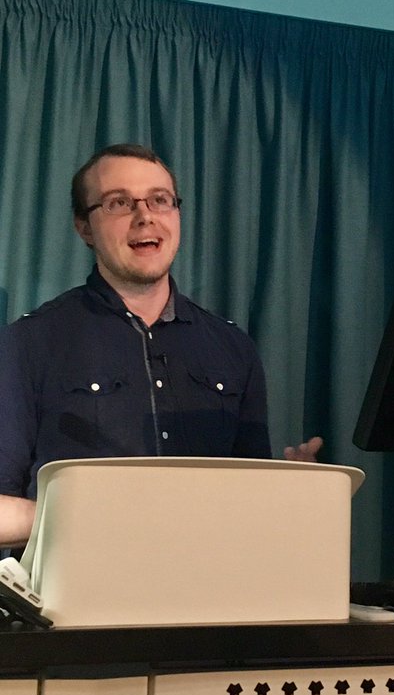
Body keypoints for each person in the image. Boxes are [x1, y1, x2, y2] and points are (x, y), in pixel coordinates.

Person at [0, 143, 322, 547]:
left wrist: (297, 494)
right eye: (119, 203)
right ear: (85, 228)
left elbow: (248, 505)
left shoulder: (233, 347)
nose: (145, 216)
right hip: (84, 582)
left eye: (160, 200)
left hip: (208, 579)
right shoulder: (26, 344)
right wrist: (85, 516)